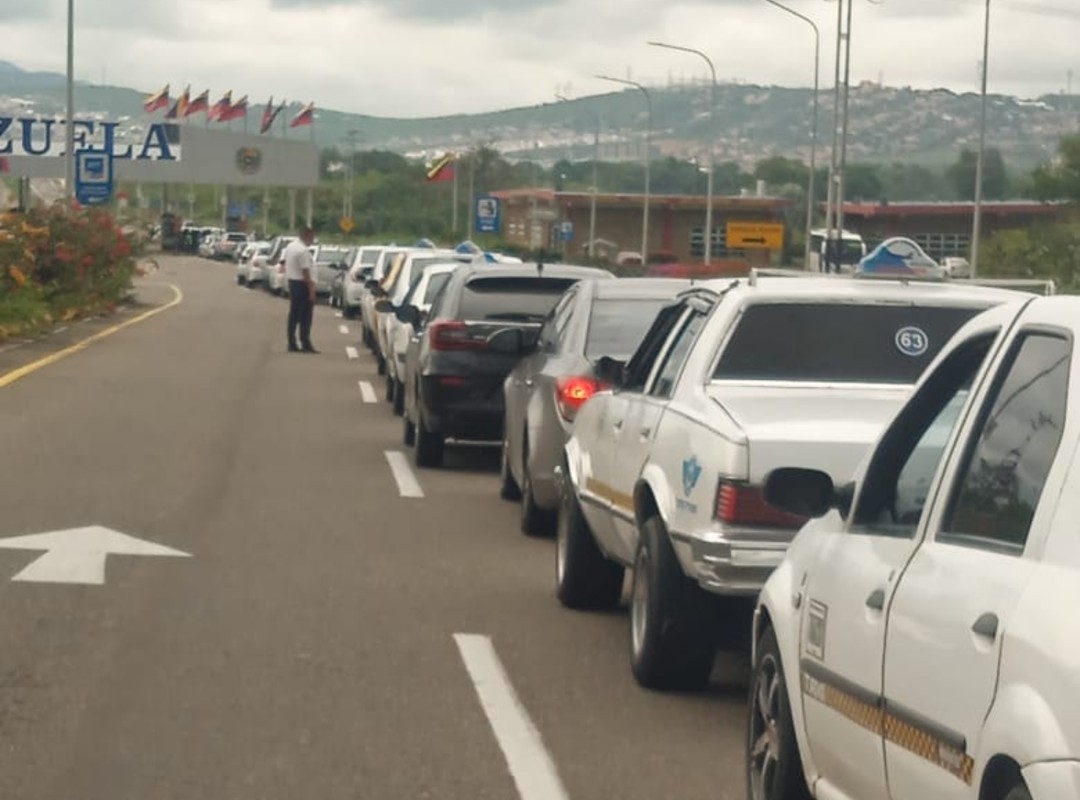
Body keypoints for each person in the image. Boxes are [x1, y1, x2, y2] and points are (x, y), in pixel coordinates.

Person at [283, 226, 319, 353]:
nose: (312, 240)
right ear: (307, 236)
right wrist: (311, 290)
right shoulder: (303, 251)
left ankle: (292, 342)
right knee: (305, 316)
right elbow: (305, 272)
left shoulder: (291, 246)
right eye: (312, 237)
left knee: (294, 314)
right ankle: (305, 343)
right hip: (302, 284)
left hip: (293, 282)